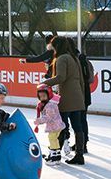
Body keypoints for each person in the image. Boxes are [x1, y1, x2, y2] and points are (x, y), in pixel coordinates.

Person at [41, 36, 87, 165]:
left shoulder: (61, 59)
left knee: (59, 126)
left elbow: (60, 77)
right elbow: (81, 80)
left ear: (56, 46)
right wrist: (81, 97)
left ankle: (55, 153)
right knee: (78, 127)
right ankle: (79, 154)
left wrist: (45, 82)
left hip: (66, 97)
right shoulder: (74, 57)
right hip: (77, 97)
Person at [33, 83, 65, 163]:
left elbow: (48, 117)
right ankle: (57, 155)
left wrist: (39, 120)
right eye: (40, 97)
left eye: (44, 96)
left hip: (54, 126)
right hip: (56, 126)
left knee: (52, 139)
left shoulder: (50, 105)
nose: (42, 98)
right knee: (55, 140)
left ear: (49, 95)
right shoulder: (48, 104)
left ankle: (54, 157)